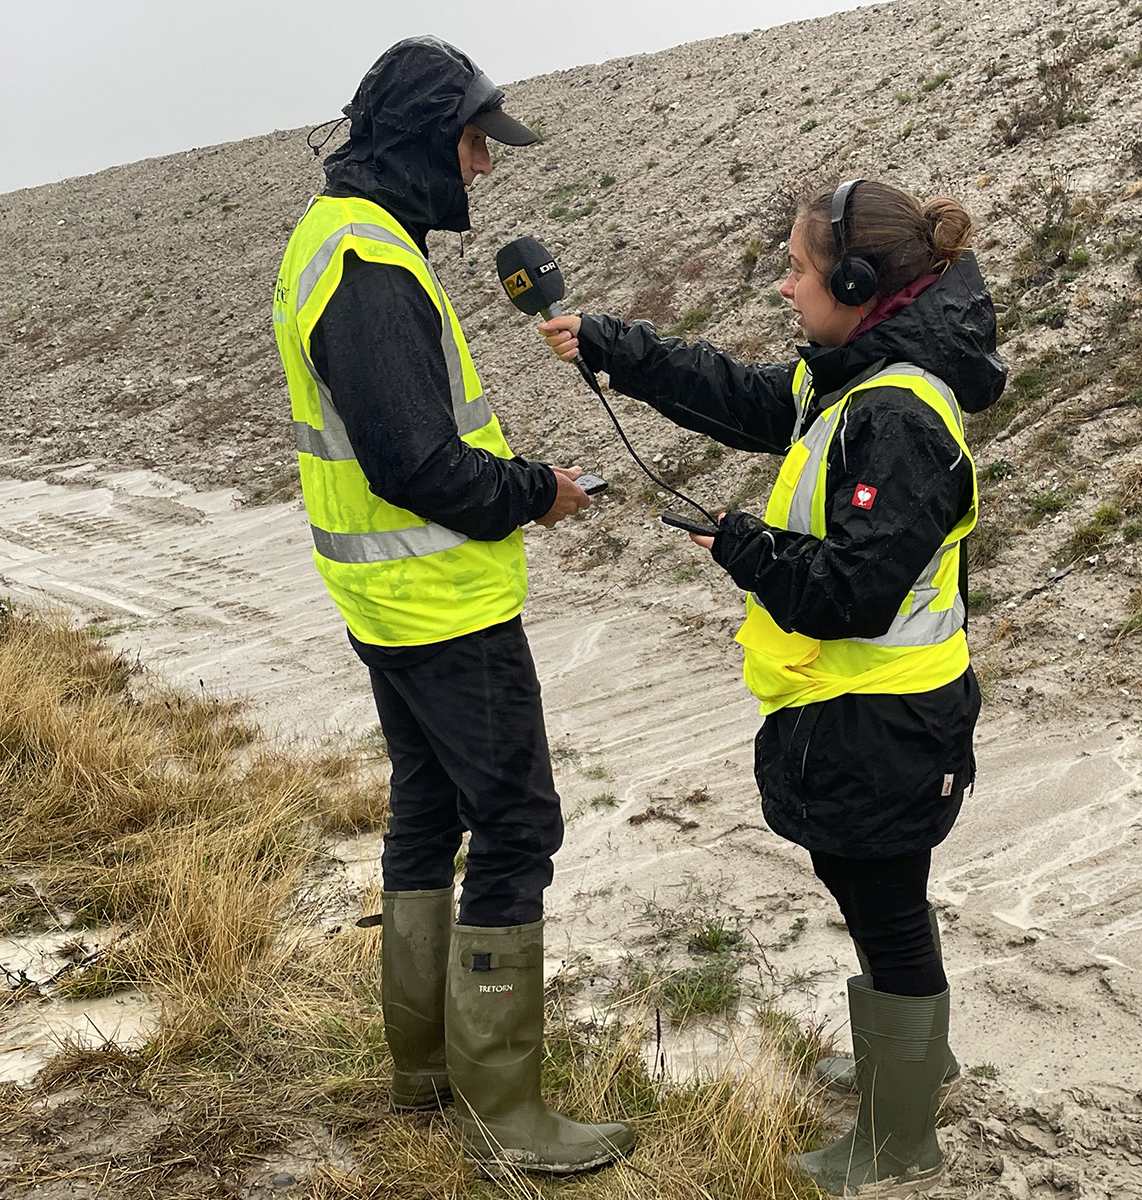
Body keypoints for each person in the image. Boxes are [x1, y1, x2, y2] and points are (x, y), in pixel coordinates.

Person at [540, 178, 1005, 1196]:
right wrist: (620, 348)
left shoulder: (897, 414)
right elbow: (745, 397)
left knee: (882, 906)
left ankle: (897, 1139)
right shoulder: (852, 375)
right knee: (876, 895)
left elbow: (853, 593)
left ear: (854, 282)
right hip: (859, 714)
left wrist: (739, 545)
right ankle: (911, 1064)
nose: (786, 289)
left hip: (884, 717)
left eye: (797, 270)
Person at [271, 37, 634, 1176]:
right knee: (517, 826)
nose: (483, 168)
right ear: (433, 138)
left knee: (430, 817)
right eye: (477, 142)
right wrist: (540, 491)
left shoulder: (341, 239)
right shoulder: (367, 264)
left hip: (391, 601)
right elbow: (418, 464)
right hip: (440, 604)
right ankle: (501, 1110)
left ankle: (426, 1070)